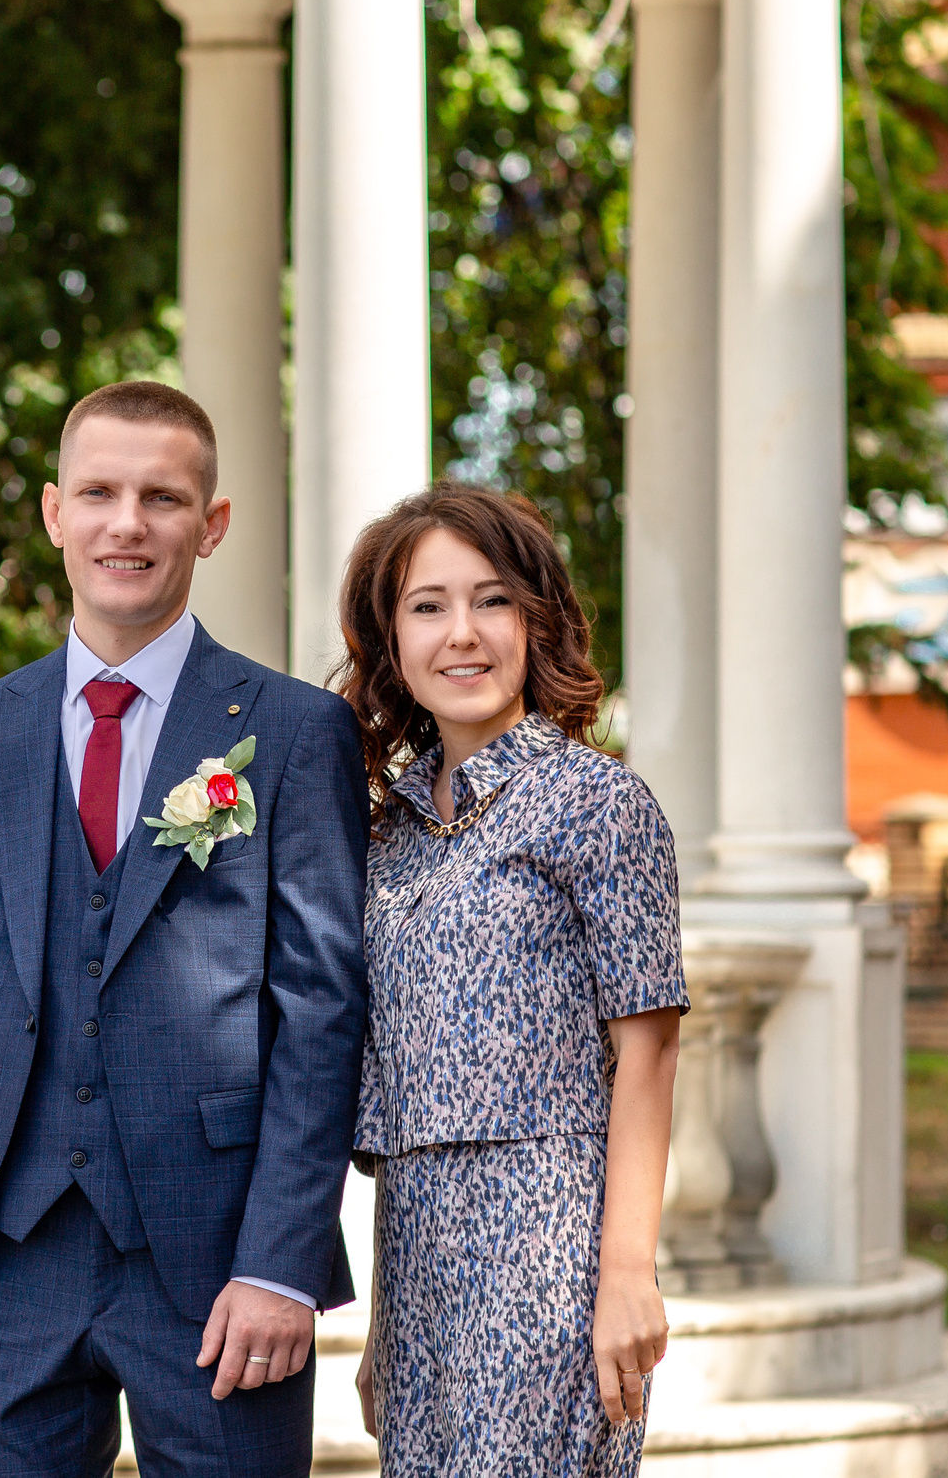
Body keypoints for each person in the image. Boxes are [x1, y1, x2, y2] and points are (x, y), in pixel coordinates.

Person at [0, 381, 371, 1478]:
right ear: (52, 513)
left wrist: (278, 1264)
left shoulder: (295, 730)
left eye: (162, 498)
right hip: (4, 1256)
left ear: (210, 524)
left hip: (221, 1263)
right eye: (99, 493)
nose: (127, 523)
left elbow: (321, 1012)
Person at [334, 481, 686, 1476]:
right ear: (390, 637)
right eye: (426, 605)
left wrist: (625, 1273)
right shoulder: (387, 827)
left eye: (491, 600)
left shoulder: (597, 803)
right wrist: (379, 1335)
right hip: (415, 1249)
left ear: (536, 619)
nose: (463, 634)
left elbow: (649, 1053)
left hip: (551, 1241)